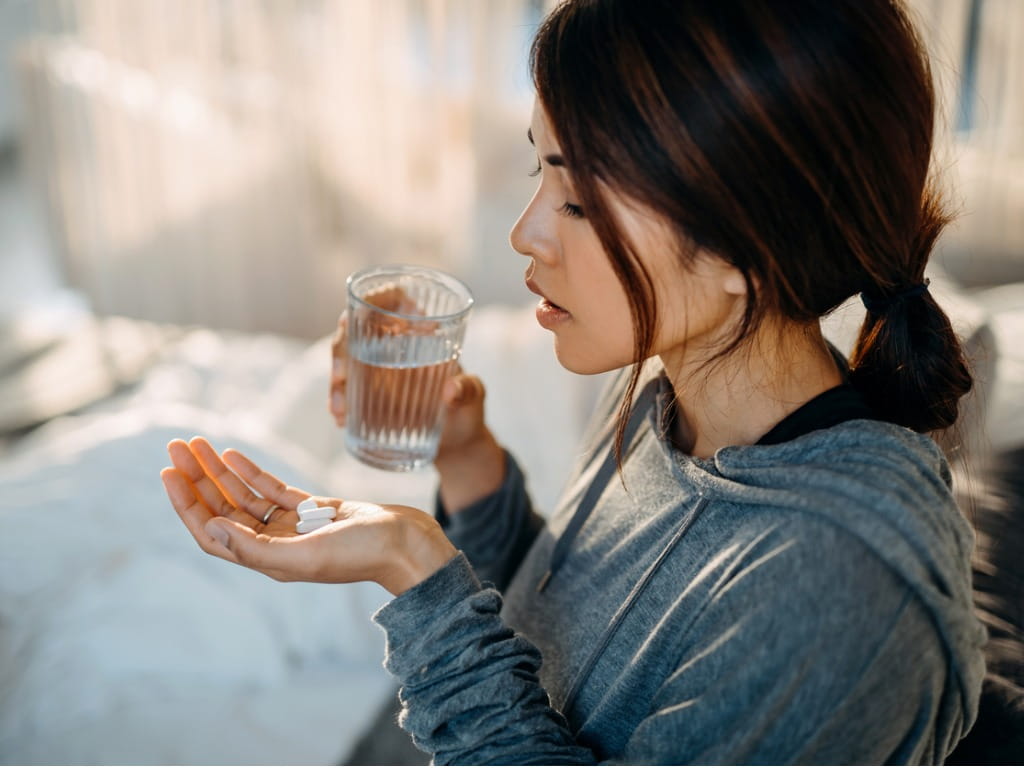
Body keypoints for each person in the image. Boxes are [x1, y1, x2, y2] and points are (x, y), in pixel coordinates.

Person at [160, 0, 987, 762]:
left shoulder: (840, 587)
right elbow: (561, 643)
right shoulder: (670, 389)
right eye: (539, 175)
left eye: (580, 201)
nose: (525, 234)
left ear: (747, 242)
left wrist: (414, 569)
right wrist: (468, 461)